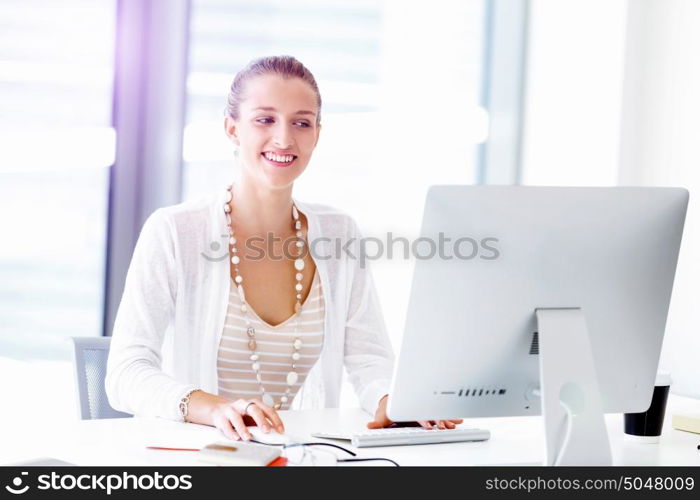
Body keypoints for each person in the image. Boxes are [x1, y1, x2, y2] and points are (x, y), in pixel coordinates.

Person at [105, 55, 461, 441]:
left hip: (308, 457)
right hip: (206, 459)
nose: (284, 139)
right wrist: (214, 408)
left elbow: (369, 359)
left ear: (317, 135)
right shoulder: (175, 231)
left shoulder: (339, 234)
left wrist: (396, 402)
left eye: (301, 123)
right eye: (265, 119)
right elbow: (126, 372)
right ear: (232, 129)